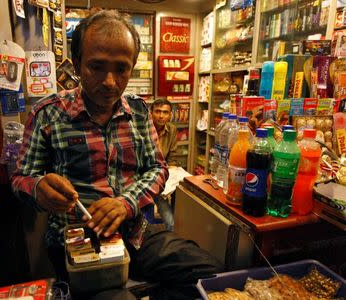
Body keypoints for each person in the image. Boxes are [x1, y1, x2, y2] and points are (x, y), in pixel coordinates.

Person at [12, 9, 222, 299]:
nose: (110, 81)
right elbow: (21, 177)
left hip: (136, 231)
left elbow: (157, 169)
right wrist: (38, 189)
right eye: (96, 66)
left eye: (121, 69)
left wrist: (126, 203)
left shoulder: (138, 111)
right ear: (77, 64)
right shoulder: (48, 114)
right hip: (77, 240)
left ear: (132, 67)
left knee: (209, 275)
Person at [149, 99, 179, 231]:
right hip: (147, 174)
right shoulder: (144, 128)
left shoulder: (172, 129)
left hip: (164, 172)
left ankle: (178, 227)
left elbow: (172, 156)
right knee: (167, 216)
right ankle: (171, 228)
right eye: (158, 112)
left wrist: (172, 177)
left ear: (170, 115)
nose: (161, 116)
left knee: (182, 191)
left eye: (165, 112)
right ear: (151, 113)